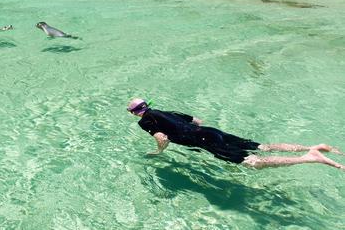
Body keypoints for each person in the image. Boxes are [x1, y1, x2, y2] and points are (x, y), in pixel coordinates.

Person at [127, 98, 344, 170]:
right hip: (210, 131)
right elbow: (197, 120)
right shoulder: (167, 111)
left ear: (135, 113)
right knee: (261, 147)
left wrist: (159, 152)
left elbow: (161, 137)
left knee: (252, 163)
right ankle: (312, 146)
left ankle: (309, 157)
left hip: (203, 140)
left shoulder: (145, 121)